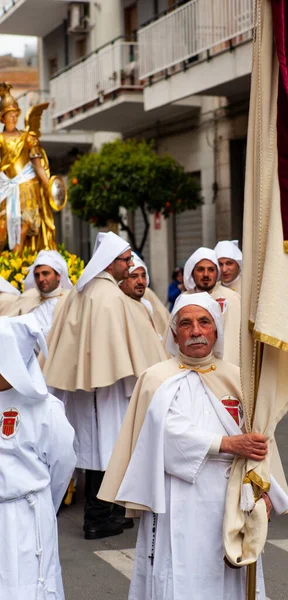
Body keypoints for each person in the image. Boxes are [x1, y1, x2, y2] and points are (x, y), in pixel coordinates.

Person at [99, 293, 288, 600]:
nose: (196, 331)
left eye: (204, 322)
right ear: (174, 333)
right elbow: (163, 437)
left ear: (216, 330)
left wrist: (265, 490)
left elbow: (258, 439)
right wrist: (228, 443)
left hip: (228, 497)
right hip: (177, 495)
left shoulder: (239, 380)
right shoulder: (155, 379)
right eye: (186, 324)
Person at [42, 232, 167, 539]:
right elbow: (123, 347)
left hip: (90, 387)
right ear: (112, 263)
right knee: (106, 451)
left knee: (100, 450)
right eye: (126, 260)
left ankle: (107, 513)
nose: (129, 265)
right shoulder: (108, 296)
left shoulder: (82, 290)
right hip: (108, 388)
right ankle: (97, 519)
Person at [0, 313, 76, 600]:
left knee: (28, 586)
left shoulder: (47, 410)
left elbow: (62, 464)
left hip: (25, 513)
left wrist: (39, 501)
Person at [0, 83, 56, 253]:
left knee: (24, 228)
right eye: (9, 115)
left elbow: (38, 165)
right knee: (2, 227)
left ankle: (16, 263)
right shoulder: (0, 139)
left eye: (15, 114)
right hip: (5, 187)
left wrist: (49, 186)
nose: (13, 118)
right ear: (2, 117)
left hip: (27, 186)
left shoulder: (27, 138)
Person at [183, 247, 241, 365]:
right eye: (200, 270)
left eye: (211, 270)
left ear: (217, 273)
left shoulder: (232, 298)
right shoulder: (184, 300)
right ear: (192, 272)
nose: (206, 274)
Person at [8, 250, 72, 337]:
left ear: (58, 276)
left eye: (45, 273)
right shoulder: (27, 299)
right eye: (37, 275)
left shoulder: (70, 299)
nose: (40, 279)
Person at [119, 253, 160, 336]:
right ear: (121, 283)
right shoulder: (119, 307)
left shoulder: (146, 305)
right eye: (134, 276)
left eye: (143, 276)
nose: (140, 281)